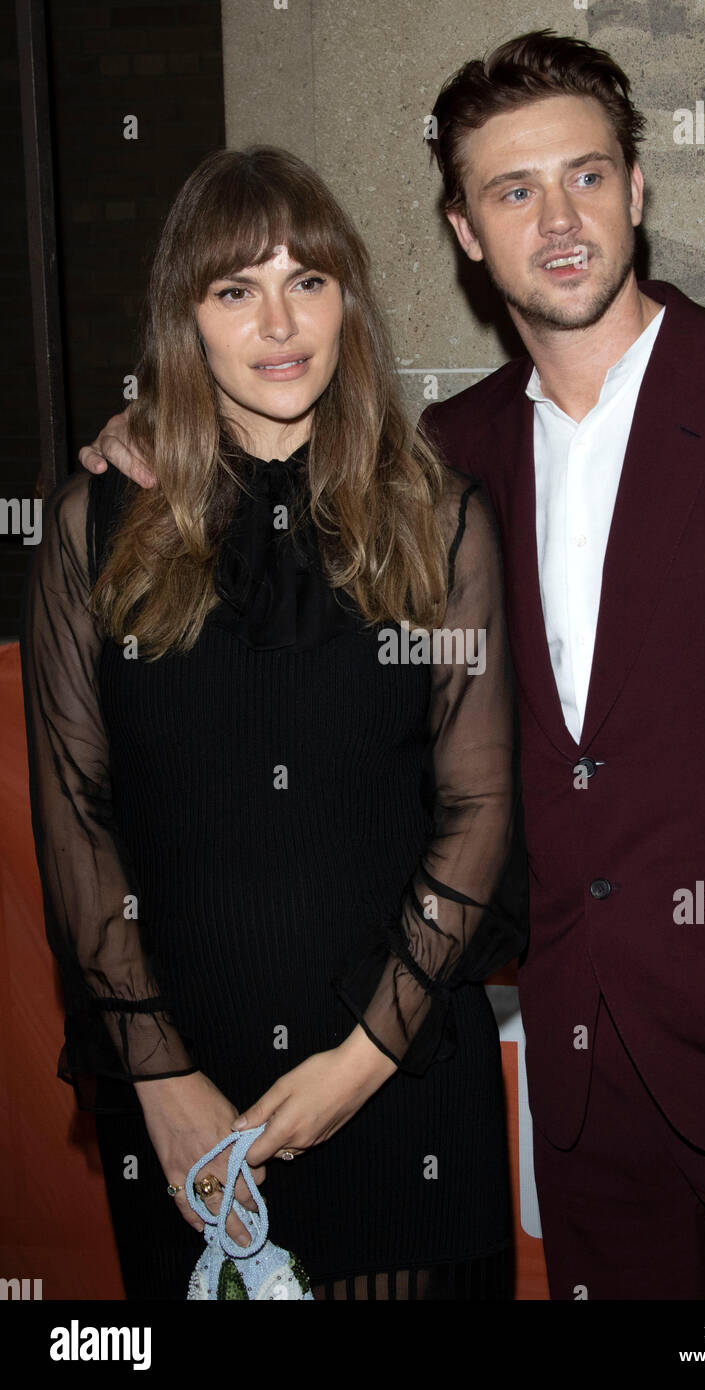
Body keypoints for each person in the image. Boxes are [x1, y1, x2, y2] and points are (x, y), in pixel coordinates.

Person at [83, 31, 705, 1302]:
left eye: (588, 177)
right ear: (463, 229)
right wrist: (143, 430)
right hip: (586, 1075)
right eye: (513, 191)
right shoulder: (441, 462)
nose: (558, 221)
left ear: (639, 191)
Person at [23, 144, 527, 1302]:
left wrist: (359, 1065)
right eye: (234, 288)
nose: (280, 320)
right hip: (186, 1094)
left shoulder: (438, 519)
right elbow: (77, 820)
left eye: (308, 280)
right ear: (185, 320)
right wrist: (160, 1076)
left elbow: (480, 809)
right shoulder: (96, 526)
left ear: (347, 297)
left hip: (403, 1081)